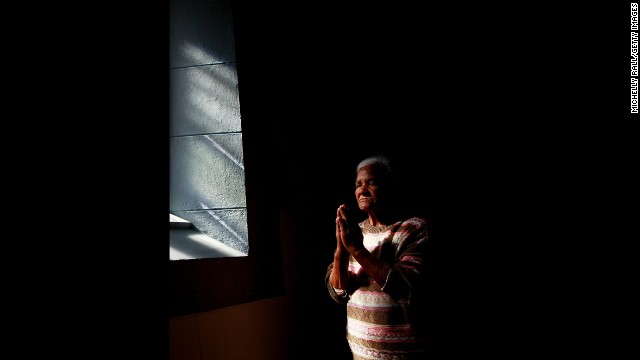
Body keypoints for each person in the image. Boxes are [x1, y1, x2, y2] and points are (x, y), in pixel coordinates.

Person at [325, 154, 431, 359]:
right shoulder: (354, 232)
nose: (362, 190)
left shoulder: (413, 228)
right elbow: (338, 292)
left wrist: (357, 250)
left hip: (404, 354)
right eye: (358, 185)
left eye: (371, 182)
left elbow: (405, 287)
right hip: (360, 351)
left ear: (391, 186)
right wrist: (341, 248)